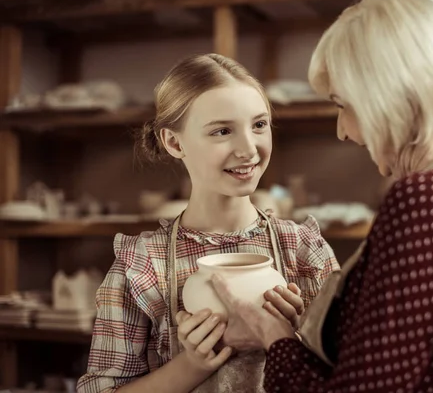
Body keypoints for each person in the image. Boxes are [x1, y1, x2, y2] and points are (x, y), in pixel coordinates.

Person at [210, 0, 433, 392]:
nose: (342, 130)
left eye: (343, 105)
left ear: (388, 97)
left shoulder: (432, 199)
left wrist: (272, 334)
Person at [76, 53, 339, 393]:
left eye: (259, 125)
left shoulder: (305, 250)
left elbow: (351, 378)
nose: (249, 149)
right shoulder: (142, 263)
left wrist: (291, 338)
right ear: (174, 142)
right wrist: (194, 364)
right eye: (222, 131)